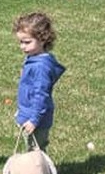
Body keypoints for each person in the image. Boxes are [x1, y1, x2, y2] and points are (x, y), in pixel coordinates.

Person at [13, 13, 66, 150]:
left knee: (36, 152)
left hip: (37, 119)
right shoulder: (33, 58)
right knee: (30, 149)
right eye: (20, 42)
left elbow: (41, 95)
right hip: (27, 113)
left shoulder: (41, 67)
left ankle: (41, 172)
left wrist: (34, 120)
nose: (22, 47)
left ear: (42, 40)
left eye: (27, 42)